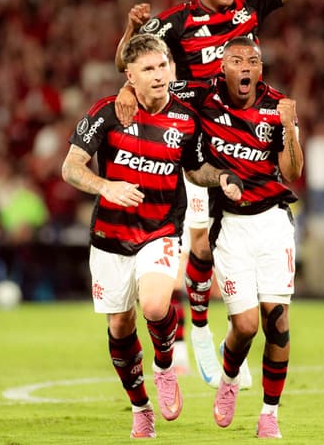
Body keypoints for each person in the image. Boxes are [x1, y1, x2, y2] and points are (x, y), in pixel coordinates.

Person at [114, 0, 316, 388]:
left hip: (245, 136)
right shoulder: (177, 22)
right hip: (195, 138)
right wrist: (128, 55)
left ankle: (212, 329)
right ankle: (199, 330)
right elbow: (129, 59)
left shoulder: (249, 7)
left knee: (226, 235)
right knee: (200, 238)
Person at [117, 37, 303, 438]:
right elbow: (155, 82)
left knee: (279, 322)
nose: (246, 67)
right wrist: (126, 89)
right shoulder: (202, 96)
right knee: (248, 326)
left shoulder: (278, 107)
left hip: (273, 222)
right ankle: (229, 378)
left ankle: (270, 414)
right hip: (230, 224)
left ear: (261, 68)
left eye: (253, 60)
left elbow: (292, 172)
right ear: (223, 68)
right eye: (236, 60)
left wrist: (290, 129)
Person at [61, 34, 243, 439]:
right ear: (131, 76)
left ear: (172, 69)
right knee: (120, 328)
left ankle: (164, 367)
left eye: (163, 66)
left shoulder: (185, 119)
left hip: (159, 229)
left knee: (157, 305)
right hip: (110, 236)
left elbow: (196, 170)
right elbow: (71, 167)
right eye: (148, 69)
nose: (159, 75)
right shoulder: (108, 112)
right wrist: (105, 186)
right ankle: (140, 407)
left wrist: (222, 176)